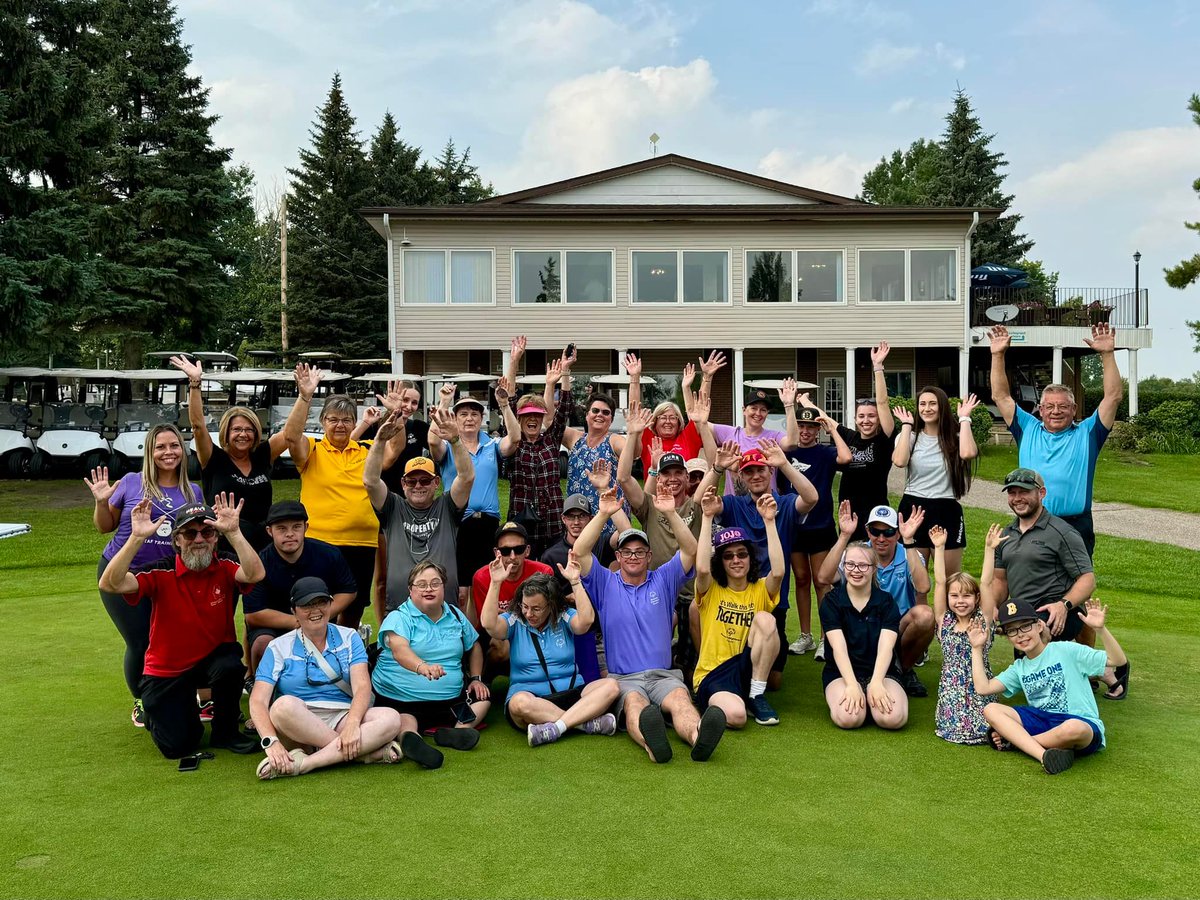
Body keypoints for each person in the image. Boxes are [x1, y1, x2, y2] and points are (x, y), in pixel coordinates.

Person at [98, 495, 265, 758]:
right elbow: (111, 584)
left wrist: (233, 532)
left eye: (207, 532)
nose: (199, 539)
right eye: (189, 533)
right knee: (179, 746)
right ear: (176, 539)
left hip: (211, 659)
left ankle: (226, 732)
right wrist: (137, 538)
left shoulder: (225, 563)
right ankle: (163, 712)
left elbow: (255, 574)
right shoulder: (159, 571)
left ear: (215, 536)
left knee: (230, 664)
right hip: (168, 669)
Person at [574, 486, 726, 764]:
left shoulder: (663, 579)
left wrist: (669, 512)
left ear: (649, 556)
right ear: (618, 558)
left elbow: (690, 551)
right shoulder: (604, 583)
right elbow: (580, 551)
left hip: (663, 675)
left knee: (681, 700)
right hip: (624, 679)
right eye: (627, 552)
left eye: (640, 552)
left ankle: (698, 736)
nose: (633, 556)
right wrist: (603, 513)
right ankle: (652, 745)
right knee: (635, 706)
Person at [86, 423, 199, 727]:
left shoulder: (192, 491)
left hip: (165, 579)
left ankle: (168, 692)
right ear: (150, 451)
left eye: (174, 446)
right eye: (160, 447)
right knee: (140, 642)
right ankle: (142, 698)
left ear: (182, 450)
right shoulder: (131, 482)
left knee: (167, 640)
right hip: (121, 572)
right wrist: (100, 501)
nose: (168, 452)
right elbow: (104, 526)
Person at [990, 468, 1128, 699]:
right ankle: (1104, 672)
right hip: (1023, 613)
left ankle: (1100, 671)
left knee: (1036, 654)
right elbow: (999, 579)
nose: (1017, 498)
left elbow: (1087, 578)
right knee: (1030, 665)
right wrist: (993, 606)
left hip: (1057, 613)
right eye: (1012, 493)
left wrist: (1063, 605)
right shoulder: (1007, 534)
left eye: (1024, 492)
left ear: (1041, 493)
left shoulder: (1062, 532)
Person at [988, 323, 1123, 557]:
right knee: (1030, 584)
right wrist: (998, 355)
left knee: (1076, 588)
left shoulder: (1089, 433)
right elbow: (1000, 395)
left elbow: (1113, 396)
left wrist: (1108, 355)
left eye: (1063, 406)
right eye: (1049, 406)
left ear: (1074, 409)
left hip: (1075, 525)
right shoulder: (1027, 428)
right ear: (1040, 410)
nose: (1056, 411)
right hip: (1032, 521)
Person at [249, 577, 403, 779]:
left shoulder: (349, 637)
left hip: (343, 715)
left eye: (321, 602)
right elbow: (258, 700)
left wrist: (352, 724)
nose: (315, 611)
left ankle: (305, 763)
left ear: (331, 604)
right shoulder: (278, 647)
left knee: (391, 718)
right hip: (298, 722)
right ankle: (362, 753)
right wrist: (271, 742)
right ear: (294, 611)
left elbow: (362, 686)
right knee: (281, 707)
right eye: (306, 605)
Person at [618, 399, 719, 677]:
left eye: (678, 474)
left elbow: (715, 466)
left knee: (689, 661)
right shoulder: (649, 505)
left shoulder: (695, 504)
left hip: (691, 595)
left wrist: (701, 426)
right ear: (658, 477)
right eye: (666, 474)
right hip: (656, 594)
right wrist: (633, 435)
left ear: (687, 478)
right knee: (654, 657)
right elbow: (625, 478)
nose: (672, 479)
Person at [969, 597, 1127, 775]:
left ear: (1039, 626)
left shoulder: (1066, 650)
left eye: (1025, 626)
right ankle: (1044, 755)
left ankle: (1015, 742)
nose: (1020, 634)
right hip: (1043, 722)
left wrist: (1100, 629)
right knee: (991, 709)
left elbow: (1118, 660)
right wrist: (976, 648)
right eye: (1012, 631)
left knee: (1073, 728)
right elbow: (983, 688)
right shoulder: (1020, 668)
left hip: (1079, 723)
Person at [706, 439, 817, 689]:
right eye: (749, 472)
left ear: (770, 472)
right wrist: (717, 469)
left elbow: (811, 497)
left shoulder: (785, 503)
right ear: (742, 477)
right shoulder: (734, 505)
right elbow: (704, 501)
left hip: (772, 595)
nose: (755, 475)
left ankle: (754, 675)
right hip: (738, 596)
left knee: (774, 681)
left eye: (760, 470)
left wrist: (784, 464)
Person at [479, 553, 621, 747]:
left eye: (536, 608)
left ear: (551, 605)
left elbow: (586, 621)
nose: (529, 613)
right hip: (532, 698)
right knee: (518, 703)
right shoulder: (515, 620)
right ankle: (584, 724)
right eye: (525, 606)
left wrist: (575, 582)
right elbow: (489, 624)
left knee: (611, 685)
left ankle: (557, 727)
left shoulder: (563, 616)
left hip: (573, 692)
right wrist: (495, 583)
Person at [371, 562, 491, 770]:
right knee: (405, 718)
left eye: (435, 583)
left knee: (483, 699)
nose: (429, 589)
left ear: (443, 587)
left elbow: (474, 646)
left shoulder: (454, 614)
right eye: (422, 584)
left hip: (448, 700)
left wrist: (476, 678)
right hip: (402, 697)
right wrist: (422, 667)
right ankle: (411, 739)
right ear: (411, 589)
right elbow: (400, 651)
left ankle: (457, 731)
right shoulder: (399, 617)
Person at [284, 364, 377, 629]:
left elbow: (393, 449)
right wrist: (305, 397)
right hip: (320, 543)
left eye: (346, 419)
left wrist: (397, 413)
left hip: (362, 543)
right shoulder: (312, 450)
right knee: (317, 604)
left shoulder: (365, 449)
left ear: (354, 423)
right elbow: (291, 437)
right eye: (333, 419)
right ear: (323, 422)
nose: (340, 425)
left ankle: (346, 660)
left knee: (354, 606)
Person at [364, 407, 474, 624]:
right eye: (411, 481)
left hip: (443, 612)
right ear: (403, 484)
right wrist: (378, 442)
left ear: (436, 483)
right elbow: (370, 481)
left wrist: (455, 441)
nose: (418, 486)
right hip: (400, 612)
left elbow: (467, 477)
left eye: (425, 481)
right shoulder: (393, 507)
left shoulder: (447, 507)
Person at [171, 355, 291, 550]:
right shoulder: (213, 458)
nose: (243, 434)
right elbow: (198, 426)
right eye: (236, 429)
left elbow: (290, 434)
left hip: (263, 545)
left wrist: (305, 396)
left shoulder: (262, 455)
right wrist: (195, 383)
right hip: (225, 545)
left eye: (249, 429)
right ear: (226, 432)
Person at [818, 502, 932, 697]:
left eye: (888, 532)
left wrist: (909, 540)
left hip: (897, 626)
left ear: (897, 533)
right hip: (860, 626)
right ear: (867, 531)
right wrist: (844, 536)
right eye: (875, 531)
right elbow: (824, 578)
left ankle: (902, 670)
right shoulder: (857, 554)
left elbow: (923, 587)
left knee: (925, 616)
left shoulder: (909, 553)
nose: (881, 538)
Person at [693, 488, 784, 728]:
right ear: (720, 562)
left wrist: (769, 522)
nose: (736, 560)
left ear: (750, 558)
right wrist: (707, 517)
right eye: (728, 556)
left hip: (746, 666)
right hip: (714, 672)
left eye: (742, 554)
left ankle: (755, 694)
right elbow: (702, 569)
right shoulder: (711, 588)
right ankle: (718, 703)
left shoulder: (760, 588)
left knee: (766, 620)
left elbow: (779, 572)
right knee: (736, 717)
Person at [243, 500, 357, 677]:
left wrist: (320, 615)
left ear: (306, 527)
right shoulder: (260, 563)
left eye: (296, 527)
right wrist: (298, 622)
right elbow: (253, 614)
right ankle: (262, 688)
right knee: (262, 643)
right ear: (269, 531)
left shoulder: (328, 554)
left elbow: (348, 591)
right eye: (281, 528)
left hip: (320, 620)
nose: (290, 534)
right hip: (276, 625)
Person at [891, 387, 980, 588]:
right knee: (915, 582)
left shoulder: (956, 438)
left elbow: (967, 453)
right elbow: (899, 461)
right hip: (914, 509)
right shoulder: (911, 437)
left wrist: (965, 418)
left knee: (951, 582)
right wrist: (906, 426)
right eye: (922, 404)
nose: (927, 408)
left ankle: (949, 620)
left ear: (942, 407)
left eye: (932, 403)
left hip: (946, 509)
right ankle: (919, 619)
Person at [783, 399, 852, 657]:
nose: (805, 430)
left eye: (811, 426)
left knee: (822, 582)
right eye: (801, 425)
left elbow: (845, 457)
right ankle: (805, 636)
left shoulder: (824, 452)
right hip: (795, 526)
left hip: (821, 526)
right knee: (801, 579)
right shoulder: (787, 452)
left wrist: (831, 428)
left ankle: (826, 637)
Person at [818, 539, 908, 731]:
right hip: (841, 673)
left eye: (863, 565)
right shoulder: (831, 602)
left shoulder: (886, 601)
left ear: (874, 568)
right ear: (843, 566)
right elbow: (838, 648)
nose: (856, 570)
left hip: (881, 672)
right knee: (850, 718)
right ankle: (861, 697)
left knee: (893, 719)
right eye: (850, 564)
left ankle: (871, 695)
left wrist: (876, 682)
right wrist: (851, 684)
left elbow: (886, 647)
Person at [499, 337, 574, 558]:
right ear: (519, 419)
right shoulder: (514, 440)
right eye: (526, 415)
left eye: (537, 415)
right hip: (521, 519)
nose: (532, 419)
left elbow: (565, 408)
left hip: (551, 521)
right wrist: (514, 360)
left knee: (552, 570)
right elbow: (509, 399)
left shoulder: (551, 440)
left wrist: (566, 372)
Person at [428, 388, 504, 607]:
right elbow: (433, 442)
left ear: (481, 418)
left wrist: (505, 404)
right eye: (463, 414)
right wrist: (444, 401)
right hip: (458, 523)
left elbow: (514, 440)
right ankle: (462, 636)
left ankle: (486, 635)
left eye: (474, 414)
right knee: (461, 590)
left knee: (487, 585)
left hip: (488, 523)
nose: (469, 418)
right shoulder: (447, 445)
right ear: (455, 418)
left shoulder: (491, 444)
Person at [929, 524, 999, 745]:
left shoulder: (983, 620)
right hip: (951, 691)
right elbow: (940, 581)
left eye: (967, 596)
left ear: (976, 599)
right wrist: (939, 548)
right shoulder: (944, 620)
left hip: (981, 688)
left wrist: (989, 549)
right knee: (951, 729)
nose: (960, 601)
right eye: (955, 596)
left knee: (985, 729)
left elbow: (987, 582)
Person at [539, 492, 619, 682]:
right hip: (567, 630)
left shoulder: (602, 544)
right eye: (571, 517)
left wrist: (607, 504)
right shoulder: (551, 555)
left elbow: (625, 532)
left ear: (590, 519)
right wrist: (567, 598)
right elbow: (546, 600)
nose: (576, 522)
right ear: (563, 519)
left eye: (582, 516)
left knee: (609, 678)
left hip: (601, 629)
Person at [469, 521, 554, 679]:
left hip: (535, 626)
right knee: (501, 648)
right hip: (498, 632)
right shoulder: (482, 577)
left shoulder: (543, 572)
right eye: (506, 551)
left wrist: (509, 612)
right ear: (497, 552)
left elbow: (546, 615)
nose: (512, 557)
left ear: (527, 550)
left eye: (519, 549)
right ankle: (485, 679)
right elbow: (488, 623)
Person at [836, 342, 897, 540]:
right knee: (851, 564)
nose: (866, 420)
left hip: (876, 515)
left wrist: (877, 367)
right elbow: (826, 420)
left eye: (871, 416)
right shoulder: (850, 437)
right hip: (848, 515)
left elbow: (882, 402)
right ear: (855, 419)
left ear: (878, 418)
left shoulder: (884, 439)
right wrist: (804, 402)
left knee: (876, 563)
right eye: (861, 416)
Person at [638, 352, 724, 473]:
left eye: (673, 418)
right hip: (654, 491)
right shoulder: (649, 438)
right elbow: (635, 408)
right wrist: (634, 379)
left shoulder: (687, 438)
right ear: (655, 421)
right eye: (663, 417)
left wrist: (707, 378)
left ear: (679, 422)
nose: (668, 421)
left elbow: (699, 409)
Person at [711, 380, 800, 495]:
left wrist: (789, 405)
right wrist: (707, 379)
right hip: (735, 506)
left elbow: (792, 442)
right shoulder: (730, 433)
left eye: (763, 410)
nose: (758, 413)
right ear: (744, 410)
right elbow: (699, 422)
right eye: (753, 408)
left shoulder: (774, 437)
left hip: (766, 504)